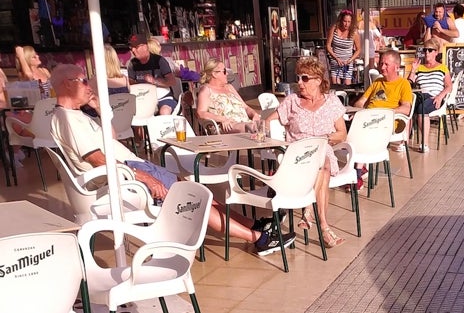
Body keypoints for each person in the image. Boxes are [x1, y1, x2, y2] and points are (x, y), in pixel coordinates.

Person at [49, 63, 293, 255]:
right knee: (193, 198)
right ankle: (259, 238)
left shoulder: (75, 115)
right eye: (83, 80)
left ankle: (254, 225)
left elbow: (110, 139)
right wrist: (145, 177)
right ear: (65, 85)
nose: (89, 84)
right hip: (125, 177)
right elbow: (100, 160)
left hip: (133, 167)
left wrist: (100, 109)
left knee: (195, 190)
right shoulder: (68, 120)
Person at [266, 58, 347, 248]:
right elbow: (268, 121)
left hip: (322, 148)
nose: (299, 83)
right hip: (296, 154)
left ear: (318, 80)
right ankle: (323, 227)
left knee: (323, 162)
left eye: (304, 78)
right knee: (321, 165)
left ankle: (319, 220)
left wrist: (326, 138)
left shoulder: (332, 102)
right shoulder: (292, 101)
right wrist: (261, 133)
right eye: (298, 78)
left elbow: (342, 133)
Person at [354, 49, 413, 183]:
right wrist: (359, 110)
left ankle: (357, 171)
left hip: (387, 122)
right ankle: (358, 167)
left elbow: (406, 108)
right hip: (368, 119)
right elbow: (361, 102)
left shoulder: (403, 84)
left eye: (386, 64)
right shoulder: (377, 82)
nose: (382, 67)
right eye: (381, 64)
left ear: (396, 67)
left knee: (363, 133)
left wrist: (387, 112)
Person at [407, 39, 452, 153]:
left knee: (422, 108)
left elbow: (448, 86)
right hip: (421, 95)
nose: (427, 53)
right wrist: (413, 70)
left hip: (434, 97)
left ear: (436, 52)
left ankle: (425, 143)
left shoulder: (442, 67)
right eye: (425, 50)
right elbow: (408, 85)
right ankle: (404, 141)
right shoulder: (419, 67)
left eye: (430, 50)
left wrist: (440, 96)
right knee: (407, 108)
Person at [196, 59, 260, 134]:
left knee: (269, 124)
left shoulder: (229, 87)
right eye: (224, 71)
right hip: (226, 126)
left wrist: (254, 114)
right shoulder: (206, 90)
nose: (227, 74)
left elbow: (245, 107)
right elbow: (200, 113)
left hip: (245, 122)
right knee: (253, 128)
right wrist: (222, 119)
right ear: (214, 74)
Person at [127, 33, 177, 115]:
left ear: (145, 46)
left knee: (164, 111)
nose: (132, 50)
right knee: (133, 114)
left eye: (136, 47)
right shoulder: (132, 64)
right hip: (144, 98)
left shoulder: (159, 61)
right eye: (131, 48)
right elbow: (131, 84)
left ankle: (166, 127)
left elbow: (172, 81)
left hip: (163, 97)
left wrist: (154, 81)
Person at [326, 9, 361, 85]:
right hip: (335, 61)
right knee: (336, 86)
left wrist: (350, 60)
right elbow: (328, 45)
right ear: (341, 20)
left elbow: (358, 50)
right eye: (345, 21)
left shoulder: (354, 32)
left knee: (347, 85)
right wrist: (336, 58)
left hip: (347, 63)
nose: (346, 24)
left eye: (349, 22)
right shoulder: (334, 29)